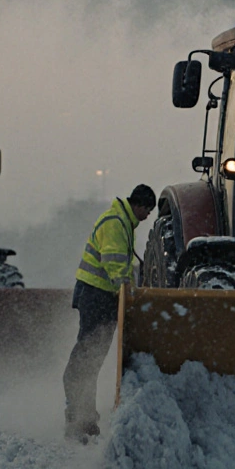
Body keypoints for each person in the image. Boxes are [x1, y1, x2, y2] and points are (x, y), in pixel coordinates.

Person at [62, 183, 156, 442]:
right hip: (97, 296)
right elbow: (114, 262)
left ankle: (84, 420)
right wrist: (126, 288)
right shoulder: (116, 223)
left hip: (99, 296)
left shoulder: (122, 222)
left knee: (91, 359)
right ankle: (79, 420)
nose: (147, 216)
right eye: (147, 211)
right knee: (87, 359)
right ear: (139, 205)